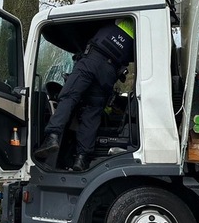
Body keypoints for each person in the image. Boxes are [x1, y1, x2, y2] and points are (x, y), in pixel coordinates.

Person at [34, 18, 135, 171]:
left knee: (69, 97)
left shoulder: (116, 18)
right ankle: (81, 159)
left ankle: (52, 137)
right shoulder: (136, 28)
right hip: (109, 73)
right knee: (92, 112)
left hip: (91, 61)